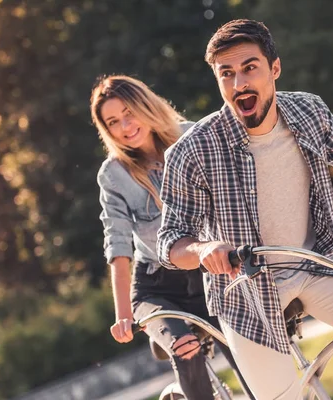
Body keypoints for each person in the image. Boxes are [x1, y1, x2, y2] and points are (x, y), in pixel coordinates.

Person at [157, 20, 333, 400]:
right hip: (246, 293)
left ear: (274, 69)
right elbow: (171, 241)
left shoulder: (307, 110)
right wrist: (204, 250)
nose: (239, 85)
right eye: (227, 74)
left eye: (249, 68)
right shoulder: (193, 151)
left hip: (312, 264)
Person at [91, 75, 252, 400]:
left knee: (247, 350)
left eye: (128, 112)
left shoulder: (193, 136)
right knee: (186, 348)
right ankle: (170, 336)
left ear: (145, 105)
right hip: (158, 288)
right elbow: (119, 247)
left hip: (214, 275)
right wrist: (123, 315)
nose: (125, 125)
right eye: (113, 122)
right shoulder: (115, 175)